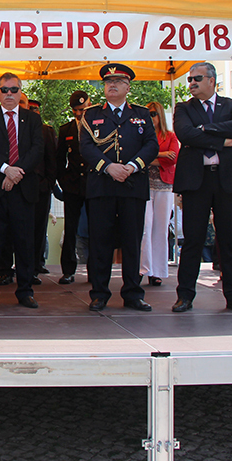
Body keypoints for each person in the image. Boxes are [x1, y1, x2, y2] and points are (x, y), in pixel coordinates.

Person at [171, 63, 232, 313]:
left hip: (228, 180)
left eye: (197, 78)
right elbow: (186, 134)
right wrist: (222, 140)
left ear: (212, 80)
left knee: (229, 239)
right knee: (193, 240)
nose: (192, 83)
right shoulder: (184, 108)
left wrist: (205, 129)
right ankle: (185, 296)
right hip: (197, 181)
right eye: (189, 79)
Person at [79, 64, 158, 312]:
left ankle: (133, 293)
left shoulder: (141, 113)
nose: (111, 85)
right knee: (100, 242)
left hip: (132, 185)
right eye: (108, 82)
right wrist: (108, 167)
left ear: (128, 87)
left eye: (117, 81)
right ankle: (99, 294)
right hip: (102, 185)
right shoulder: (91, 115)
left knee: (132, 242)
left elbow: (151, 145)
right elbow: (86, 146)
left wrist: (132, 166)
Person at [0, 73, 43, 309]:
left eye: (14, 89)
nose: (9, 94)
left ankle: (25, 291)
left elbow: (37, 149)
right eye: (4, 90)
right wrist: (6, 170)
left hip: (23, 190)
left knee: (24, 243)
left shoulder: (32, 119)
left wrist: (16, 173)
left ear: (20, 91)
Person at [140, 100, 178, 288]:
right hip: (144, 186)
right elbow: (140, 158)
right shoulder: (142, 136)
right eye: (148, 114)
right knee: (145, 227)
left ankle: (158, 271)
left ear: (160, 115)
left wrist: (152, 158)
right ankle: (144, 269)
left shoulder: (170, 136)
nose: (150, 117)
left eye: (153, 114)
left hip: (164, 185)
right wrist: (162, 155)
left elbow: (174, 158)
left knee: (161, 229)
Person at [55, 90, 90, 284]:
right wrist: (64, 181)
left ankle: (95, 269)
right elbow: (60, 159)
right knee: (70, 229)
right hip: (73, 186)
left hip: (93, 184)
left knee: (96, 228)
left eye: (82, 109)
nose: (78, 114)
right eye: (75, 110)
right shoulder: (66, 129)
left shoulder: (98, 126)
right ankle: (68, 270)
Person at [27, 98, 59, 281]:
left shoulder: (47, 130)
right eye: (30, 108)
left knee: (39, 228)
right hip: (19, 185)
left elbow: (52, 159)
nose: (33, 111)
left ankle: (36, 264)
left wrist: (49, 183)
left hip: (41, 187)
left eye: (36, 109)